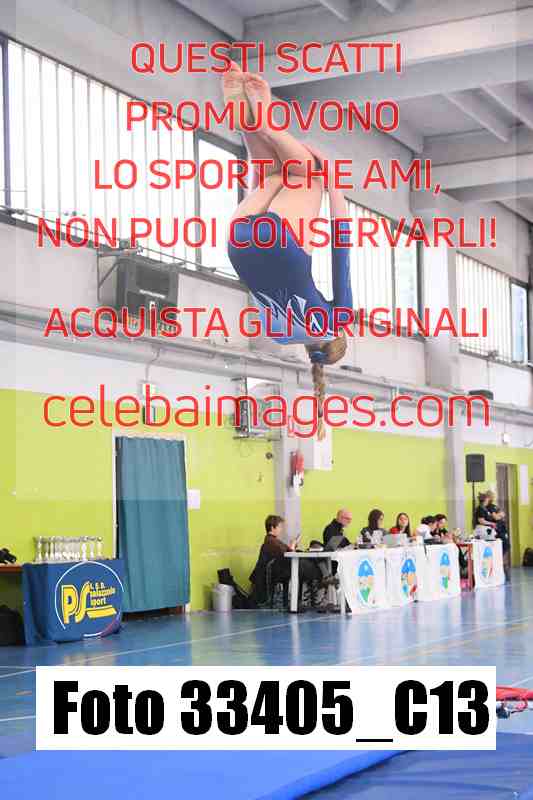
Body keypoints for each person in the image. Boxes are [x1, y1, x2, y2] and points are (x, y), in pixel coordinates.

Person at [223, 62, 353, 440]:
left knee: (306, 174)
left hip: (284, 246)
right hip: (239, 246)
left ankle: (263, 123)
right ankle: (247, 125)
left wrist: (334, 183)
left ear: (337, 336)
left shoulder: (336, 318)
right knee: (273, 176)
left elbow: (341, 251)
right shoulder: (278, 335)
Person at [249, 515, 325, 608]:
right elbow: (287, 554)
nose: (281, 529)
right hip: (277, 571)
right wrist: (292, 546)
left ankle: (309, 592)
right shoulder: (271, 541)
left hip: (280, 569)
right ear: (272, 527)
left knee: (303, 566)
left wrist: (292, 546)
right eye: (280, 527)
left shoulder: (273, 540)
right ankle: (315, 587)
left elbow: (286, 551)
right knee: (303, 567)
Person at [486, 490, 511, 580]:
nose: (494, 497)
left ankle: (504, 567)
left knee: (507, 546)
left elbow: (503, 514)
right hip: (498, 531)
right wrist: (499, 515)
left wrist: (500, 515)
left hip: (503, 529)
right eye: (492, 495)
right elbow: (496, 517)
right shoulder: (489, 507)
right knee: (502, 548)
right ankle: (503, 568)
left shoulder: (495, 506)